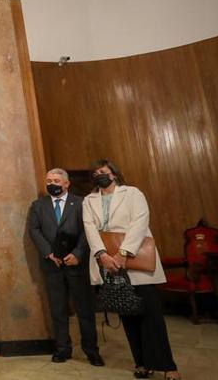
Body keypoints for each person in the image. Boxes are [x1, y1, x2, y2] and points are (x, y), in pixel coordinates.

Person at [83, 159, 180, 380]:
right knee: (128, 314)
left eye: (104, 171)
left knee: (151, 315)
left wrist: (123, 253)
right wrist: (102, 255)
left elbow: (140, 222)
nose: (100, 175)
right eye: (96, 172)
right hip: (107, 262)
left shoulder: (133, 193)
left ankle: (168, 366)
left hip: (134, 258)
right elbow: (90, 228)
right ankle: (142, 363)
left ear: (114, 174)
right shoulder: (88, 200)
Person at [27, 168, 103, 366]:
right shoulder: (38, 205)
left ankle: (91, 350)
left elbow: (88, 231)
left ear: (66, 183)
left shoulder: (81, 203)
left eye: (56, 180)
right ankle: (62, 349)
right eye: (49, 180)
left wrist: (78, 254)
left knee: (84, 309)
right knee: (58, 309)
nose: (52, 183)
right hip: (52, 266)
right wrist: (48, 252)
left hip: (77, 265)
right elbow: (34, 230)